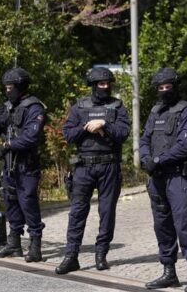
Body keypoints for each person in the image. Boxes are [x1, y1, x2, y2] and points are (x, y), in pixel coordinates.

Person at [55, 67, 131, 274]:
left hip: (109, 166)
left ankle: (101, 255)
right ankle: (71, 256)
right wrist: (85, 127)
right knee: (78, 212)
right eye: (101, 84)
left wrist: (104, 124)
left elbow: (124, 133)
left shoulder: (117, 106)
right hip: (84, 166)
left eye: (107, 84)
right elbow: (68, 134)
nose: (105, 87)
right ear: (93, 85)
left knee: (106, 212)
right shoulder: (80, 107)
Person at [139, 67, 187, 292]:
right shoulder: (155, 111)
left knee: (183, 224)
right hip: (156, 178)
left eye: (168, 87)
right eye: (160, 88)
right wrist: (146, 158)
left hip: (176, 176)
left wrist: (158, 160)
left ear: (176, 87)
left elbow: (184, 146)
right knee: (162, 226)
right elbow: (145, 138)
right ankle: (169, 272)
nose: (164, 91)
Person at [0, 67, 46, 263]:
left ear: (20, 87)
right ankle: (14, 244)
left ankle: (35, 245)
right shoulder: (8, 106)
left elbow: (31, 137)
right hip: (10, 165)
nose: (7, 91)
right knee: (10, 200)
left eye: (10, 88)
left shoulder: (34, 107)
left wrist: (9, 145)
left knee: (27, 202)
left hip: (26, 165)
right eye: (6, 88)